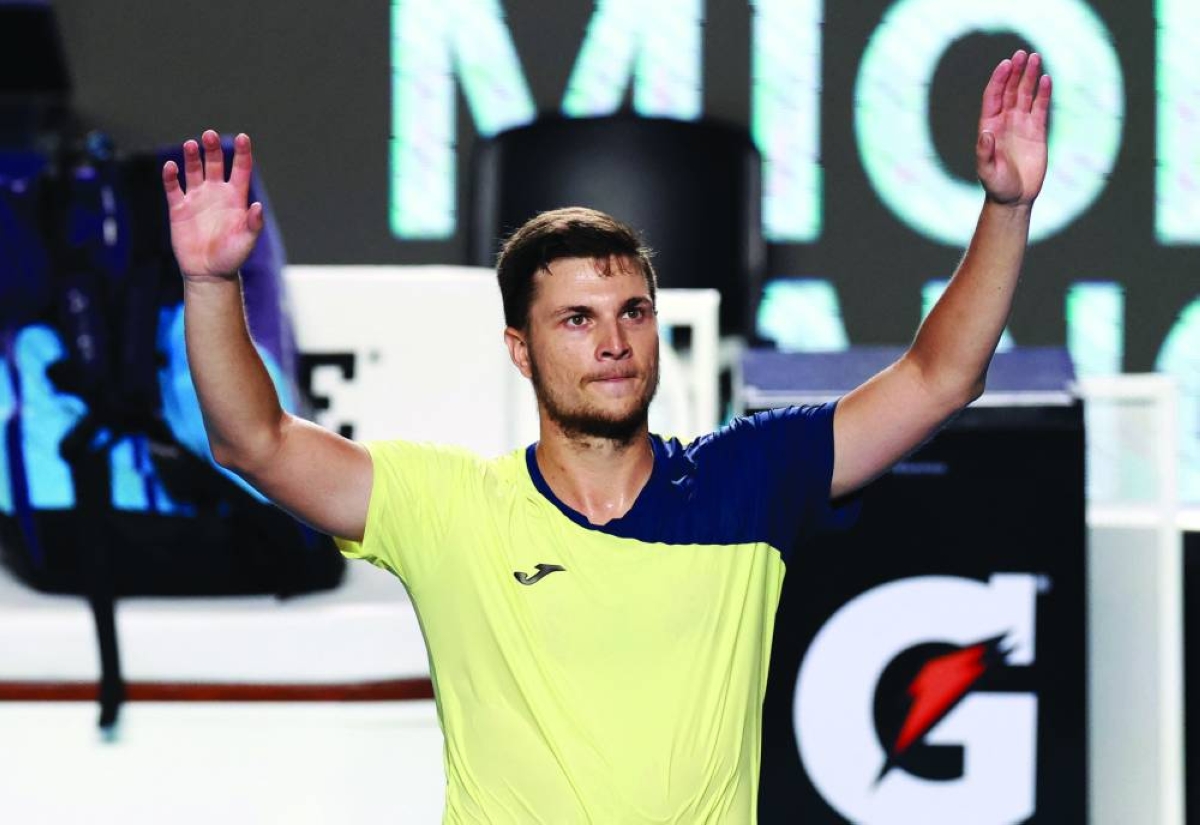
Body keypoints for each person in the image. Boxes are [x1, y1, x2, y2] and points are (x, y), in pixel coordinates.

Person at [162, 49, 1050, 824]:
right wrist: (210, 286)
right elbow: (255, 442)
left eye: (633, 312)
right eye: (577, 320)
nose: (615, 342)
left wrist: (1005, 209)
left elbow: (942, 377)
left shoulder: (753, 476)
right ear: (520, 347)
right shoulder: (452, 508)